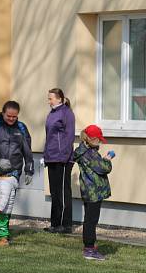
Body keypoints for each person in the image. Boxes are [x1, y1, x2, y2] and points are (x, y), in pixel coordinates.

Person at [73, 125, 113, 261]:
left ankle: (89, 247)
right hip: (93, 192)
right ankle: (89, 249)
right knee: (91, 220)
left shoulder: (84, 151)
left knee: (90, 219)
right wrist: (107, 159)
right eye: (98, 140)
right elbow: (104, 168)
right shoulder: (89, 154)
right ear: (92, 139)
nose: (100, 142)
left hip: (89, 191)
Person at [0, 100, 34, 189]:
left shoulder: (21, 128)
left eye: (14, 117)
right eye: (8, 116)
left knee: (9, 201)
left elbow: (27, 151)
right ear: (3, 113)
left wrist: (29, 170)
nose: (11, 119)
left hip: (14, 173)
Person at [43, 88, 76, 234]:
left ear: (59, 99)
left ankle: (65, 224)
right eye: (48, 98)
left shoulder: (66, 113)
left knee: (63, 191)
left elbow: (69, 136)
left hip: (63, 158)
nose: (48, 101)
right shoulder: (52, 113)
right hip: (51, 157)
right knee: (55, 191)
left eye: (51, 98)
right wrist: (46, 155)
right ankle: (55, 224)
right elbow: (49, 136)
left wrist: (64, 156)